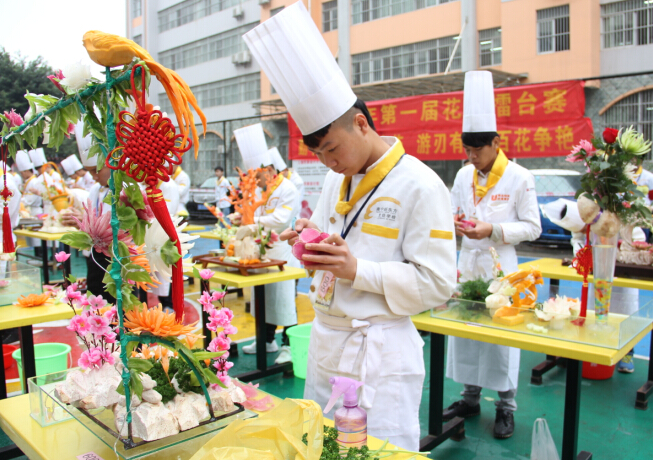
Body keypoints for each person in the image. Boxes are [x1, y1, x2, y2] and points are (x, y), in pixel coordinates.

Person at [245, 2, 456, 450]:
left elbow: (438, 283)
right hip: (326, 343)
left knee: (376, 452)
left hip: (378, 353)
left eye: (332, 149)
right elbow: (332, 252)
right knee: (322, 448)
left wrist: (357, 270)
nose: (328, 162)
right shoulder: (335, 180)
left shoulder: (420, 185)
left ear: (361, 124)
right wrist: (310, 246)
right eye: (318, 154)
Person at [445, 71, 542, 440]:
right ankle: (469, 399)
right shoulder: (462, 176)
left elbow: (532, 227)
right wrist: (456, 224)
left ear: (496, 143)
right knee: (466, 334)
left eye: (478, 151)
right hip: (468, 265)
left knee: (501, 339)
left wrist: (494, 230)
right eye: (467, 151)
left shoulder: (519, 177)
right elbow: (451, 213)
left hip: (501, 269)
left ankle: (506, 407)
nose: (472, 157)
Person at [544, 198, 642, 373]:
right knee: (595, 315)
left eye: (584, 228)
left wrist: (622, 251)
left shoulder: (617, 217)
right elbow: (577, 241)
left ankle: (627, 353)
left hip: (622, 271)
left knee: (624, 314)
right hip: (597, 275)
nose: (583, 231)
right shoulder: (581, 224)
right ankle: (592, 351)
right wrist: (582, 255)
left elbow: (638, 239)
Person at [233, 124, 300, 364]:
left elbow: (281, 220)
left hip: (282, 252)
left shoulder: (288, 189)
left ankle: (289, 345)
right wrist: (243, 217)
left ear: (269, 170)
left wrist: (251, 222)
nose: (255, 181)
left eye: (258, 176)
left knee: (283, 300)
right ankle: (266, 340)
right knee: (264, 298)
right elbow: (253, 214)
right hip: (262, 252)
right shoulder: (260, 190)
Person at [61, 123, 115, 303]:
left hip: (116, 257)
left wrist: (85, 221)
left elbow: (117, 228)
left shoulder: (125, 190)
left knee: (115, 302)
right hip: (96, 254)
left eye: (95, 170)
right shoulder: (95, 190)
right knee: (96, 296)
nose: (92, 176)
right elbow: (91, 219)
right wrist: (79, 221)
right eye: (90, 171)